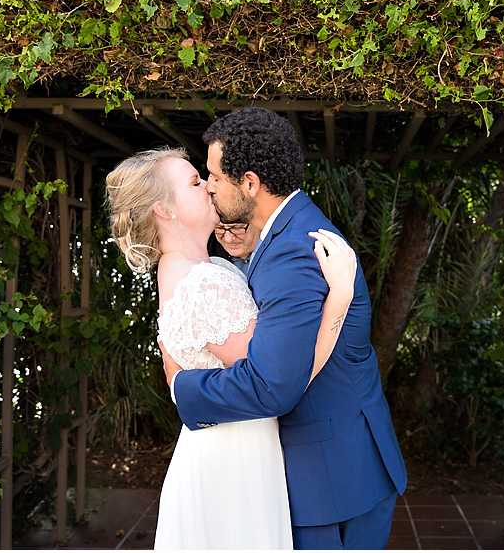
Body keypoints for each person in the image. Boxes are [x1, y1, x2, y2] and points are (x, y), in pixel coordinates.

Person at [163, 106, 407, 550]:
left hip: (330, 481)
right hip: (335, 465)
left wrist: (185, 389)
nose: (210, 186)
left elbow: (274, 384)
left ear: (251, 183)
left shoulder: (294, 252)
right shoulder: (281, 234)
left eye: (215, 176)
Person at [104, 147, 358, 550]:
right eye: (193, 182)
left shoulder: (200, 269)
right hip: (234, 461)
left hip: (224, 446)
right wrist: (340, 297)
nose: (208, 186)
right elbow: (283, 378)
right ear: (164, 211)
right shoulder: (204, 284)